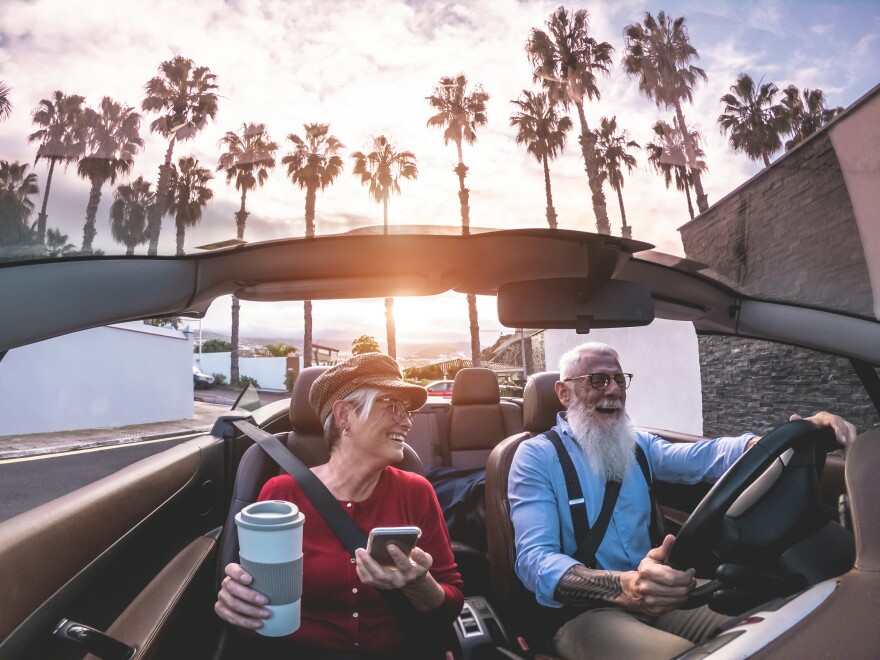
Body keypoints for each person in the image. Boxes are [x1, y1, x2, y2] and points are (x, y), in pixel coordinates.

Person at [508, 341, 856, 660]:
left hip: (663, 594)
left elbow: (704, 456)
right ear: (564, 392)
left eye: (619, 379)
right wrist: (625, 587)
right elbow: (534, 561)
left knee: (785, 622)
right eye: (597, 380)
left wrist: (790, 436)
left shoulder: (637, 445)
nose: (613, 390)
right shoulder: (536, 456)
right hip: (587, 613)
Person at [216, 353, 464, 658]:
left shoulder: (416, 491)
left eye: (408, 410)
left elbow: (450, 601)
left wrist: (418, 583)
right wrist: (239, 606)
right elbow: (256, 608)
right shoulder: (282, 494)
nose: (408, 420)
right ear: (344, 416)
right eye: (392, 406)